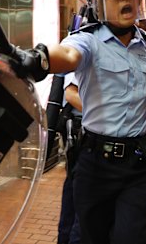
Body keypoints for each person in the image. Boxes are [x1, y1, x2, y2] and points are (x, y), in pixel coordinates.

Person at [12, 0, 146, 244]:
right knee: (91, 236)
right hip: (97, 164)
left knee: (132, 236)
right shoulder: (88, 39)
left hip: (140, 163)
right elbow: (67, 54)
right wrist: (38, 58)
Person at [57, 73, 82, 244]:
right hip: (80, 131)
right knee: (77, 191)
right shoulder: (85, 49)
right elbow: (71, 94)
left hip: (82, 130)